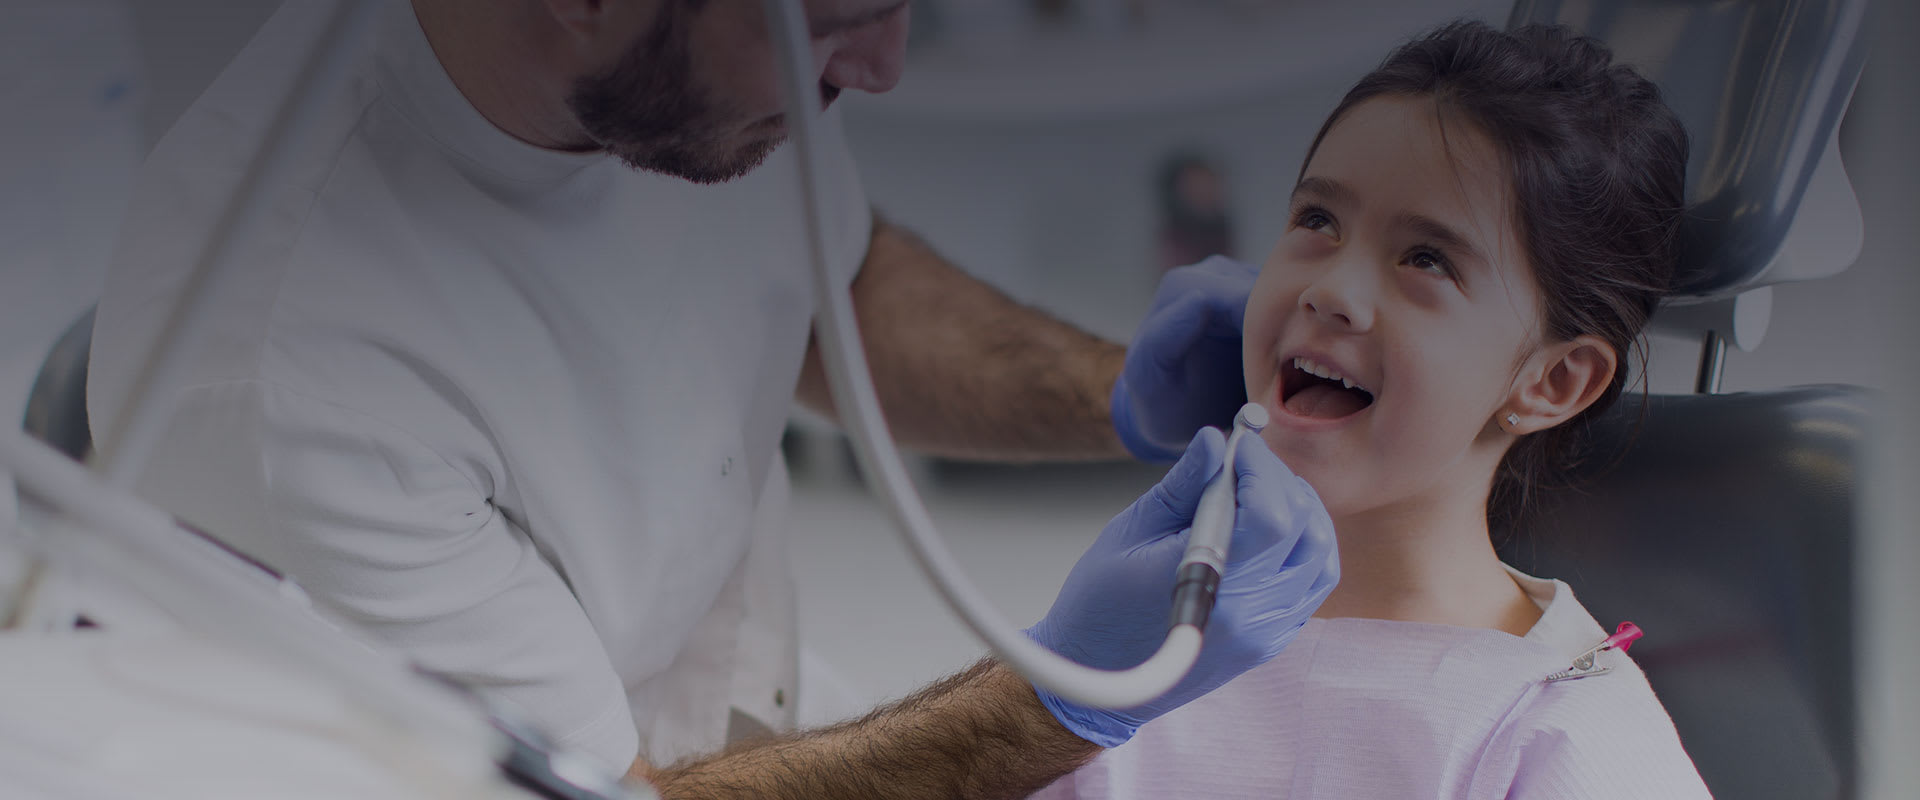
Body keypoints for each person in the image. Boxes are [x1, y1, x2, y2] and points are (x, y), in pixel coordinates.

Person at [83, 0, 1334, 795]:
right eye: (847, 13)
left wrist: (1115, 388)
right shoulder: (298, 370)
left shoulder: (703, 61)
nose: (887, 63)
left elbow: (828, 279)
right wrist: (1057, 698)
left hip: (698, 680)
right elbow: (608, 794)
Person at [1033, 20, 1714, 798]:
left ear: (1551, 382)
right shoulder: (1138, 631)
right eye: (1317, 220)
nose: (1331, 290)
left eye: (1427, 259)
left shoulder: (1564, 739)